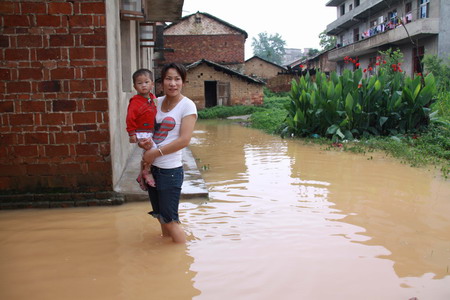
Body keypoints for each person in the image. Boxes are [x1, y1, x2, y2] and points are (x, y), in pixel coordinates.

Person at [140, 63, 197, 243]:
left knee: (171, 221)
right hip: (151, 169)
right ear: (161, 82)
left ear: (183, 82)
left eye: (177, 79)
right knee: (160, 216)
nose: (173, 83)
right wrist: (142, 141)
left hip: (170, 171)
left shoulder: (187, 106)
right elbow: (147, 129)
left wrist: (155, 153)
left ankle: (181, 259)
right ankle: (166, 257)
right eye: (168, 79)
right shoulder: (155, 102)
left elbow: (184, 140)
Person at [126, 68, 157, 189]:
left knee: (149, 151)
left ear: (152, 84)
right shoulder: (135, 102)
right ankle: (146, 171)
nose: (143, 85)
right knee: (151, 150)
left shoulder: (153, 98)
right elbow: (130, 118)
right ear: (135, 86)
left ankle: (142, 173)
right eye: (139, 83)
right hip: (142, 132)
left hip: (152, 130)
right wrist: (131, 134)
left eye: (146, 82)